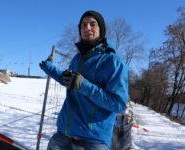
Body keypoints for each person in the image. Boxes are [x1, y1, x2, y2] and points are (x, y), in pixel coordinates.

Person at [39, 10, 129, 150]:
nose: (87, 28)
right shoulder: (77, 59)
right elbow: (69, 81)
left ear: (101, 30)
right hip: (63, 136)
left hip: (92, 141)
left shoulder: (115, 63)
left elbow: (118, 104)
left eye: (92, 24)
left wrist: (84, 86)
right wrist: (48, 67)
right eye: (83, 25)